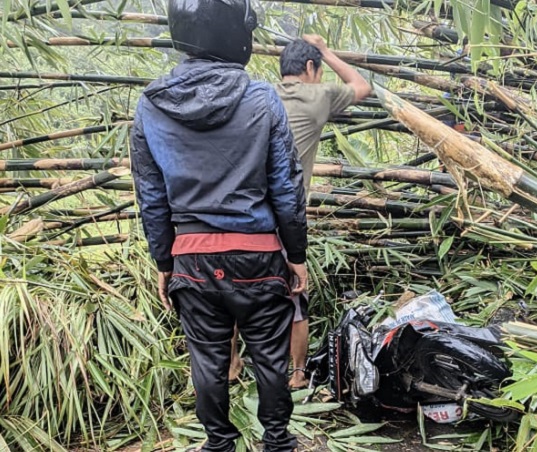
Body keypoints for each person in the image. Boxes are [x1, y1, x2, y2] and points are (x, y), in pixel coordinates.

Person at [130, 0, 307, 450]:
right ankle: (278, 441)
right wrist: (297, 254)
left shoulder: (151, 104)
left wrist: (164, 260)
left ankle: (218, 444)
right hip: (257, 254)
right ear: (237, 34)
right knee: (269, 356)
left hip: (192, 258)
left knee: (207, 359)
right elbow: (285, 187)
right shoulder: (261, 97)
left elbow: (151, 196)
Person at [228, 35, 370, 390]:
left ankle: (231, 365)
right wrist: (325, 50)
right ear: (310, 68)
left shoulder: (258, 98)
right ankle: (296, 373)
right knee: (295, 294)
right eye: (318, 69)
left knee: (231, 292)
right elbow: (361, 85)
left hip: (241, 215)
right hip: (286, 216)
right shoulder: (317, 96)